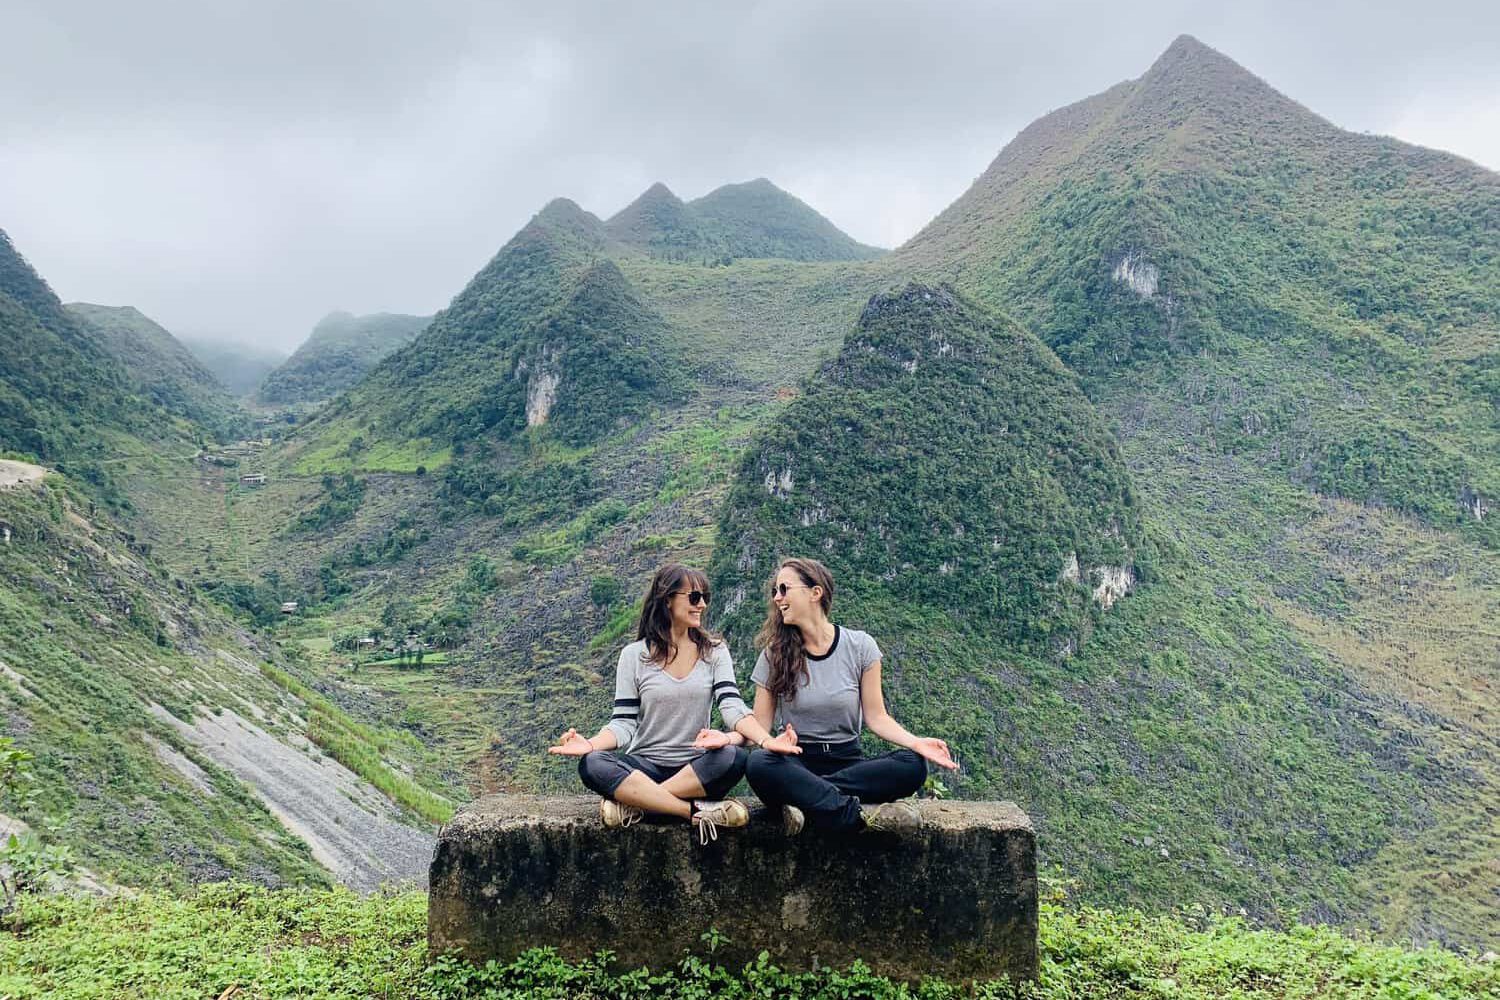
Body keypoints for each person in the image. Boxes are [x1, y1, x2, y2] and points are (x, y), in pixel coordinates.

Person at [550, 563, 796, 843]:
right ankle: (689, 811)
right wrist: (591, 745)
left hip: (695, 767)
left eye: (705, 597)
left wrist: (765, 741)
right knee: (593, 764)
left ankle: (638, 803)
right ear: (667, 599)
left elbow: (732, 707)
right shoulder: (634, 656)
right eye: (693, 597)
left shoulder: (714, 652)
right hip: (645, 765)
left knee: (734, 757)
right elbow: (623, 724)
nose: (701, 605)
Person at [744, 557, 959, 834]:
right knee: (759, 763)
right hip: (796, 759)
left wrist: (916, 743)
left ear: (815, 592)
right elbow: (759, 728)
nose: (777, 598)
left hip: (847, 762)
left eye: (784, 589)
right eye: (775, 591)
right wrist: (732, 738)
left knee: (912, 765)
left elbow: (877, 717)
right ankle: (853, 814)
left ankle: (810, 799)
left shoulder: (860, 646)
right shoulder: (774, 656)